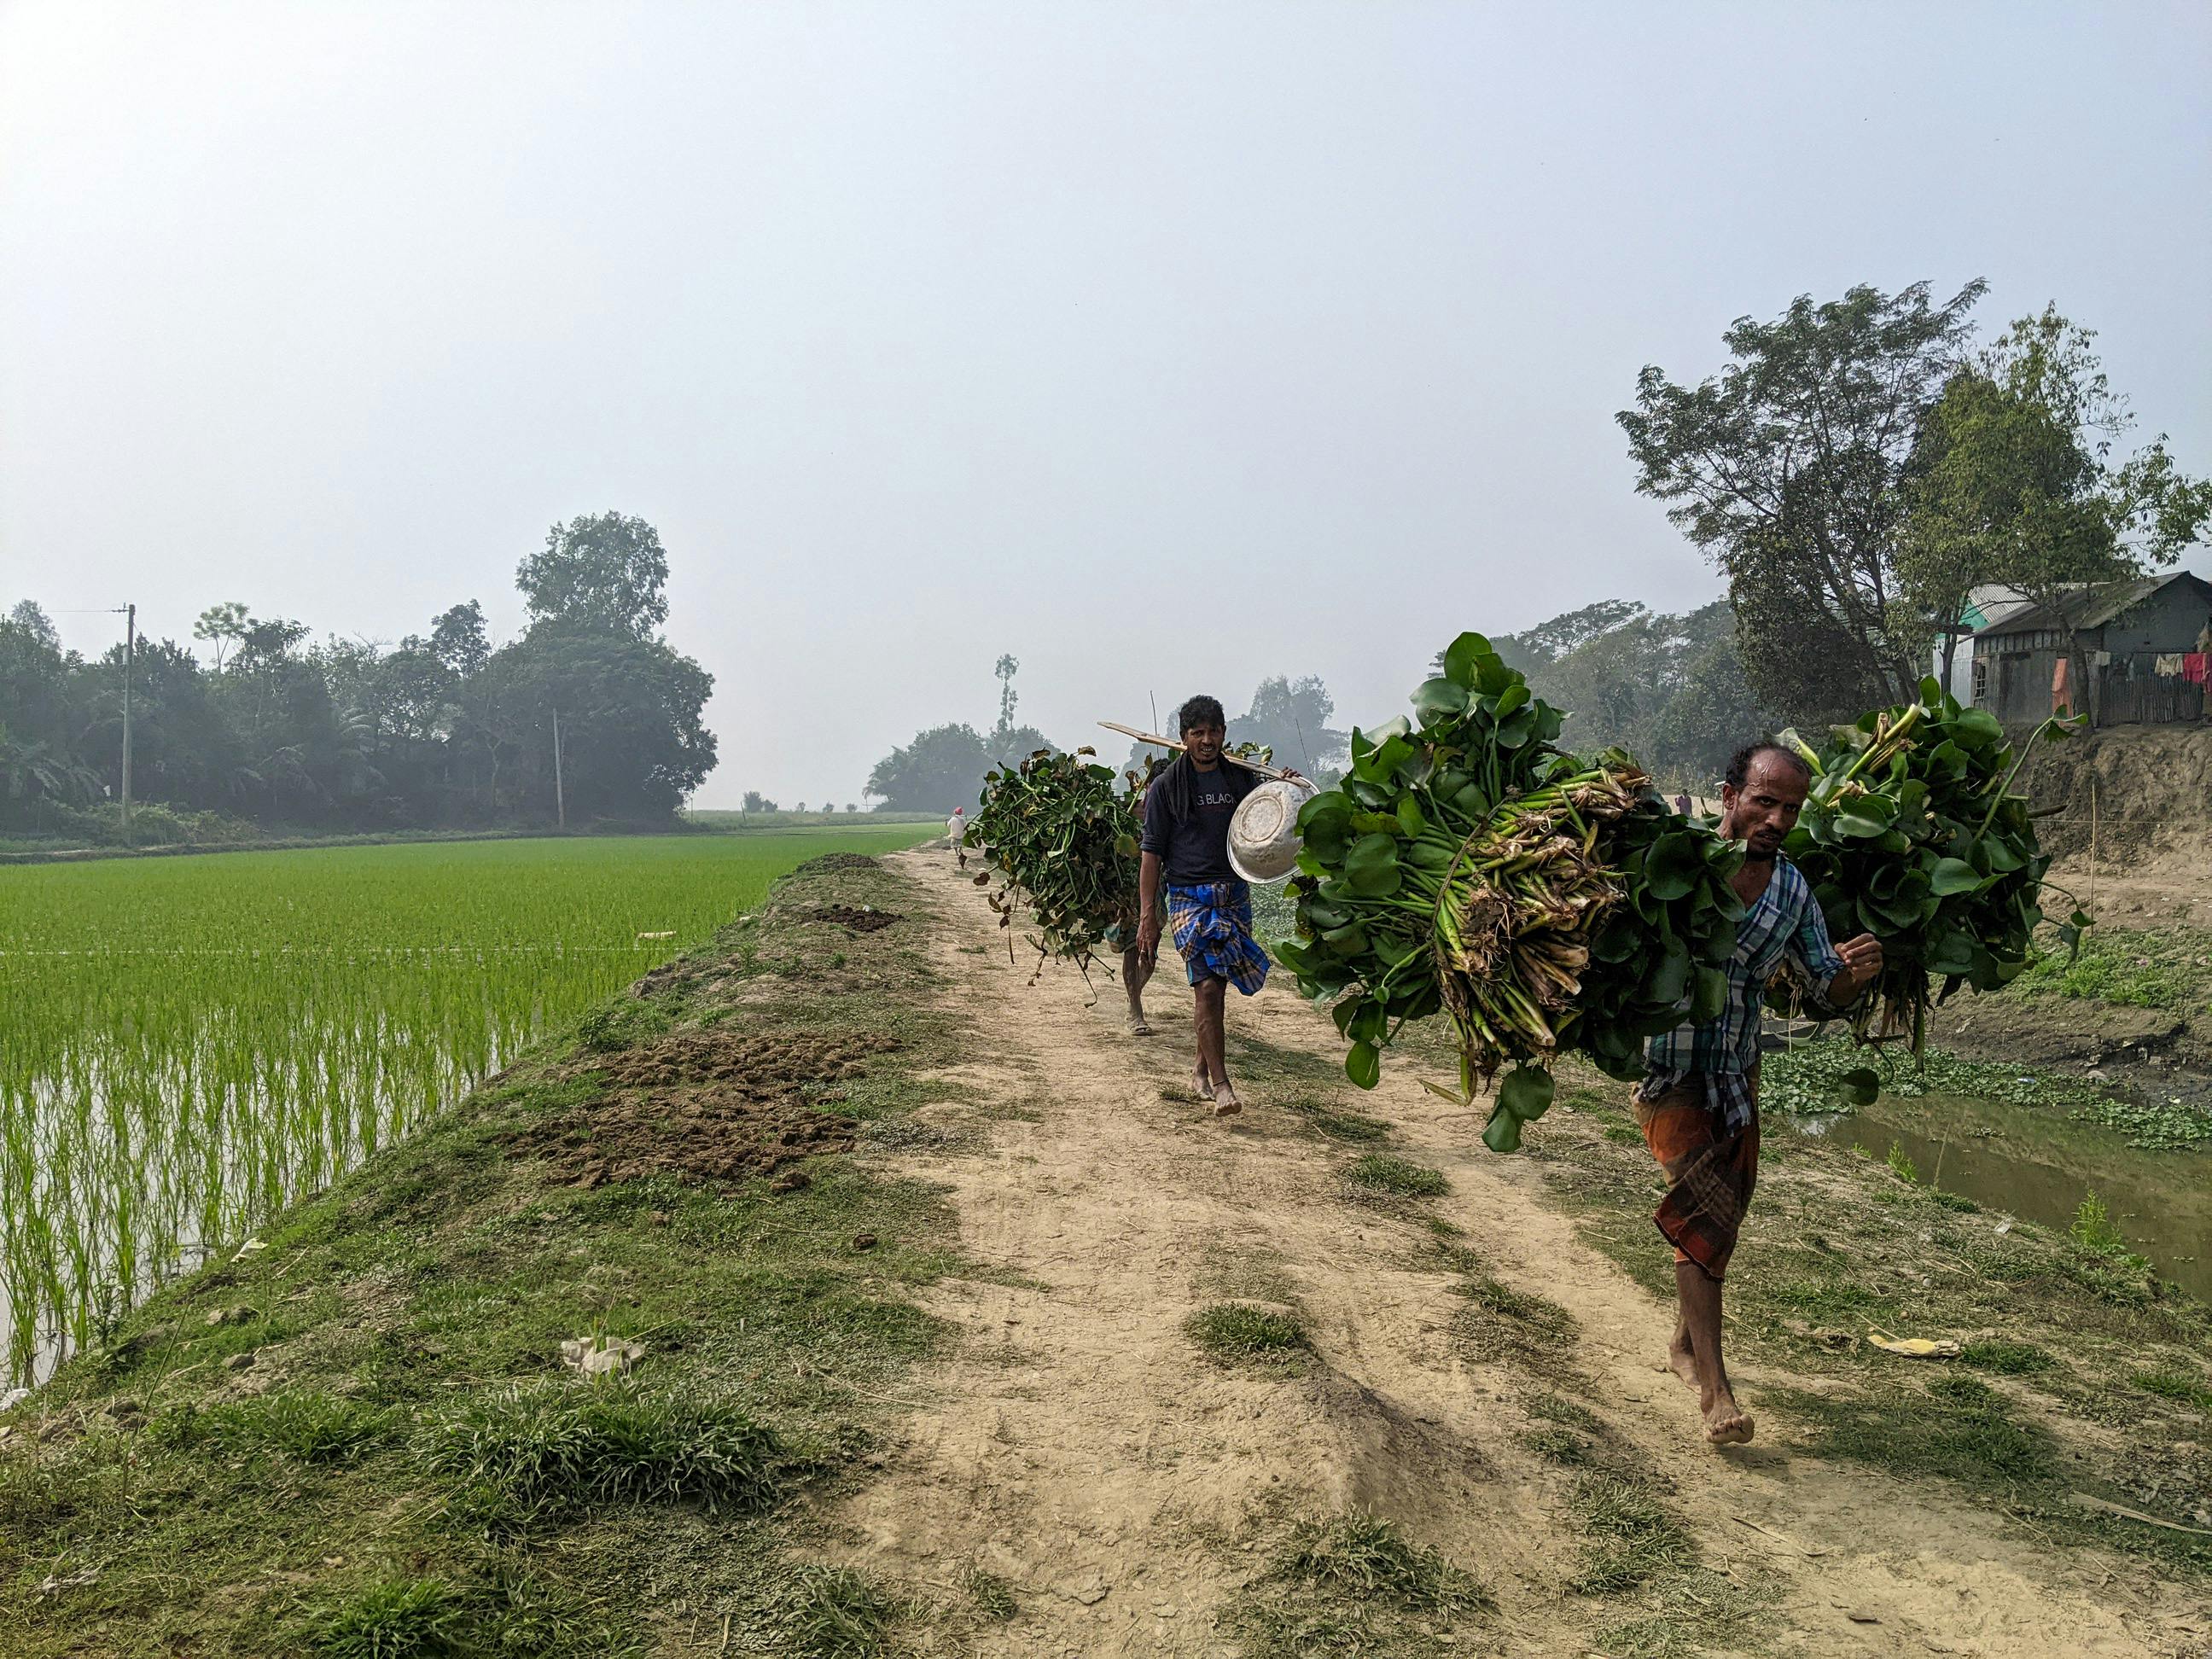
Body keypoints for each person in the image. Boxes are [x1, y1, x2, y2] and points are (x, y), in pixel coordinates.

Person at [1636, 740, 1883, 1447]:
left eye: (1790, 810)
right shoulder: (1673, 860)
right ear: (1729, 796)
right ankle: (1716, 1391)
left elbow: (1820, 989)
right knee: (1698, 1210)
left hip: (1737, 1073)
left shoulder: (1793, 890)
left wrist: (1850, 974)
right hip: (1667, 1067)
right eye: (1764, 801)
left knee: (1719, 1221)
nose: (1775, 819)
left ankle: (1686, 1345)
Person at [1134, 696, 1301, 1115]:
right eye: (1198, 733)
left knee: (1216, 989)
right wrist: (1147, 916)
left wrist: (1286, 785)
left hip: (1234, 895)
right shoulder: (1166, 788)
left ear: (1224, 734)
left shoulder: (1240, 779)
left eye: (1214, 732)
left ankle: (1200, 1069)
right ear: (1184, 737)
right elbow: (1151, 854)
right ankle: (1224, 1085)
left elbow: (1271, 816)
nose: (1207, 740)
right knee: (1207, 987)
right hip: (1189, 897)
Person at [946, 804, 968, 870]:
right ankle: (960, 850)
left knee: (954, 843)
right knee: (960, 843)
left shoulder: (952, 819)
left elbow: (948, 825)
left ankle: (956, 852)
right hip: (961, 835)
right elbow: (965, 826)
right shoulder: (962, 819)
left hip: (954, 835)